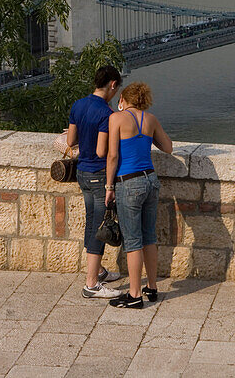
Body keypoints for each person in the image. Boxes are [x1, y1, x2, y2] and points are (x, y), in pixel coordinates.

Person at [99, 81, 172, 309]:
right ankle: (152, 287)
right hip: (150, 179)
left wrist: (109, 187)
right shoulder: (150, 119)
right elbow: (168, 147)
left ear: (123, 100)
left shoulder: (117, 119)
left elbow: (112, 156)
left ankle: (134, 295)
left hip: (128, 182)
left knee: (132, 241)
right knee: (149, 237)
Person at [65, 65, 123, 299]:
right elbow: (102, 151)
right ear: (112, 84)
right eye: (117, 88)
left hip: (82, 173)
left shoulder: (78, 104)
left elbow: (70, 140)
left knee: (91, 222)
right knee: (99, 226)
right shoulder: (106, 114)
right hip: (99, 175)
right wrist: (110, 184)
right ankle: (91, 284)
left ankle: (97, 271)